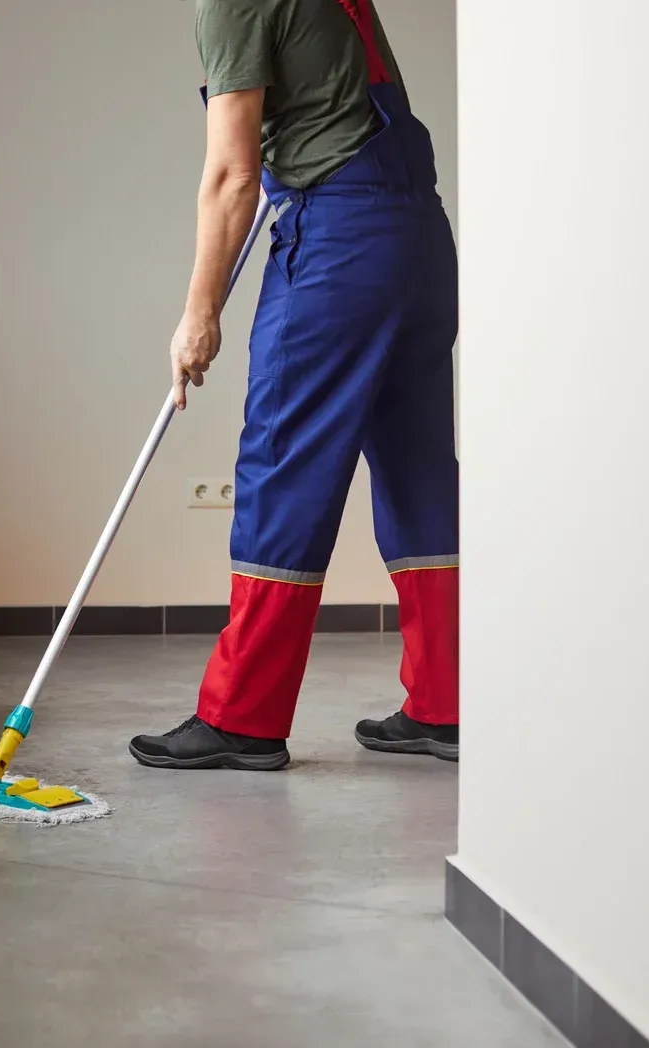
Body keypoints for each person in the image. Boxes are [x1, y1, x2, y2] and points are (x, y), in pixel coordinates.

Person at [129, 0, 460, 769]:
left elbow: (232, 175)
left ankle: (241, 717)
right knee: (418, 473)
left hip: (338, 245)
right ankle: (448, 703)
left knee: (283, 466)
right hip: (419, 241)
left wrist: (197, 314)